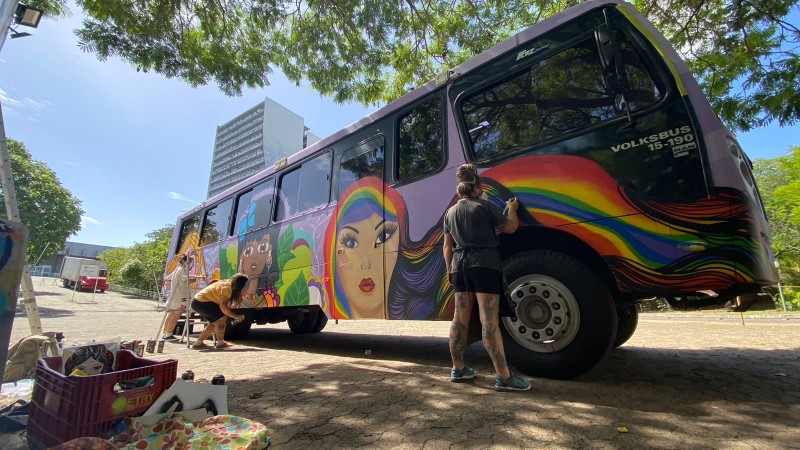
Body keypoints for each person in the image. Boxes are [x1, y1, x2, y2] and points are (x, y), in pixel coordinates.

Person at [442, 163, 531, 391]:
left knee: (459, 319)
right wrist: (511, 208)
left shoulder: (450, 213)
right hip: (484, 265)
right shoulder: (483, 206)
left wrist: (450, 271)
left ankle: (458, 369)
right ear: (478, 187)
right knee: (489, 321)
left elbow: (447, 247)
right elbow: (510, 227)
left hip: (459, 267)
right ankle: (504, 377)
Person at [190, 274, 248, 349]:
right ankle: (220, 343)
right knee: (222, 319)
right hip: (201, 302)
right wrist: (235, 316)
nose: (246, 287)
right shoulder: (227, 288)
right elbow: (223, 306)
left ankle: (198, 344)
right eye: (245, 285)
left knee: (215, 323)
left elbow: (232, 304)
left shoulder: (229, 284)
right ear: (240, 285)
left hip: (198, 302)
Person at [162, 254, 190, 340]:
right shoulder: (183, 270)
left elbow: (167, 278)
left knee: (171, 314)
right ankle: (169, 334)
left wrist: (173, 287)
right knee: (176, 316)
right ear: (185, 261)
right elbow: (188, 280)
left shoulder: (177, 269)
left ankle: (165, 333)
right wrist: (198, 278)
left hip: (173, 296)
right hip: (180, 297)